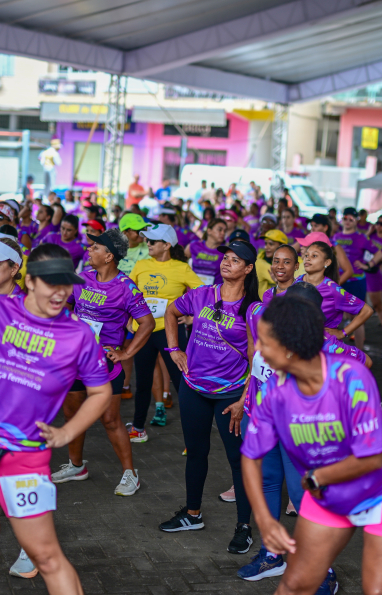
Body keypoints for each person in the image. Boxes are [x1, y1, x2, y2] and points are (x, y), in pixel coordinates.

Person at [0, 243, 112, 594]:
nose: (61, 293)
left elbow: (102, 392)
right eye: (51, 283)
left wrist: (67, 432)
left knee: (46, 557)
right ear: (30, 281)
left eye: (67, 285)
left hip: (23, 460)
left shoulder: (78, 336)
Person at [242, 294, 382, 595]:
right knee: (296, 585)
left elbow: (371, 459)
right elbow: (251, 457)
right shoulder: (273, 391)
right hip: (329, 491)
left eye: (264, 342)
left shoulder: (350, 379)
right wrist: (265, 522)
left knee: (378, 590)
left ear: (289, 349)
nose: (257, 349)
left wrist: (316, 478)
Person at [159, 240, 258, 554]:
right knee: (196, 452)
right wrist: (174, 349)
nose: (227, 263)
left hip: (230, 395)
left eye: (235, 260)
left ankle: (244, 527)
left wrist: (245, 400)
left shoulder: (254, 309)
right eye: (225, 258)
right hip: (194, 388)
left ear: (249, 268)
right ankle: (192, 514)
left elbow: (257, 359)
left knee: (238, 461)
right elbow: (171, 312)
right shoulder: (203, 294)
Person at [53, 228, 154, 497]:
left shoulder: (126, 288)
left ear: (109, 256)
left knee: (110, 420)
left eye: (95, 247)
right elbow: (66, 305)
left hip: (105, 365)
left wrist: (126, 353)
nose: (89, 250)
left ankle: (130, 474)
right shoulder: (81, 278)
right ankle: (76, 466)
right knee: (72, 414)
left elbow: (147, 323)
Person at [127, 224, 202, 440]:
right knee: (142, 382)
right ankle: (138, 428)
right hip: (144, 331)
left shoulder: (181, 268)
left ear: (167, 245)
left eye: (152, 241)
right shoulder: (141, 265)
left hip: (170, 333)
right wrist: (128, 318)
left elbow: (202, 294)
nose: (148, 244)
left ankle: (193, 437)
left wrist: (191, 317)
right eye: (147, 240)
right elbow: (129, 293)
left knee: (181, 384)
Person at [186, 218, 227, 286]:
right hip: (194, 290)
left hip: (214, 292)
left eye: (224, 231)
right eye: (219, 230)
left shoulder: (225, 251)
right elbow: (181, 264)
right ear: (209, 231)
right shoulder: (194, 246)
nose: (223, 233)